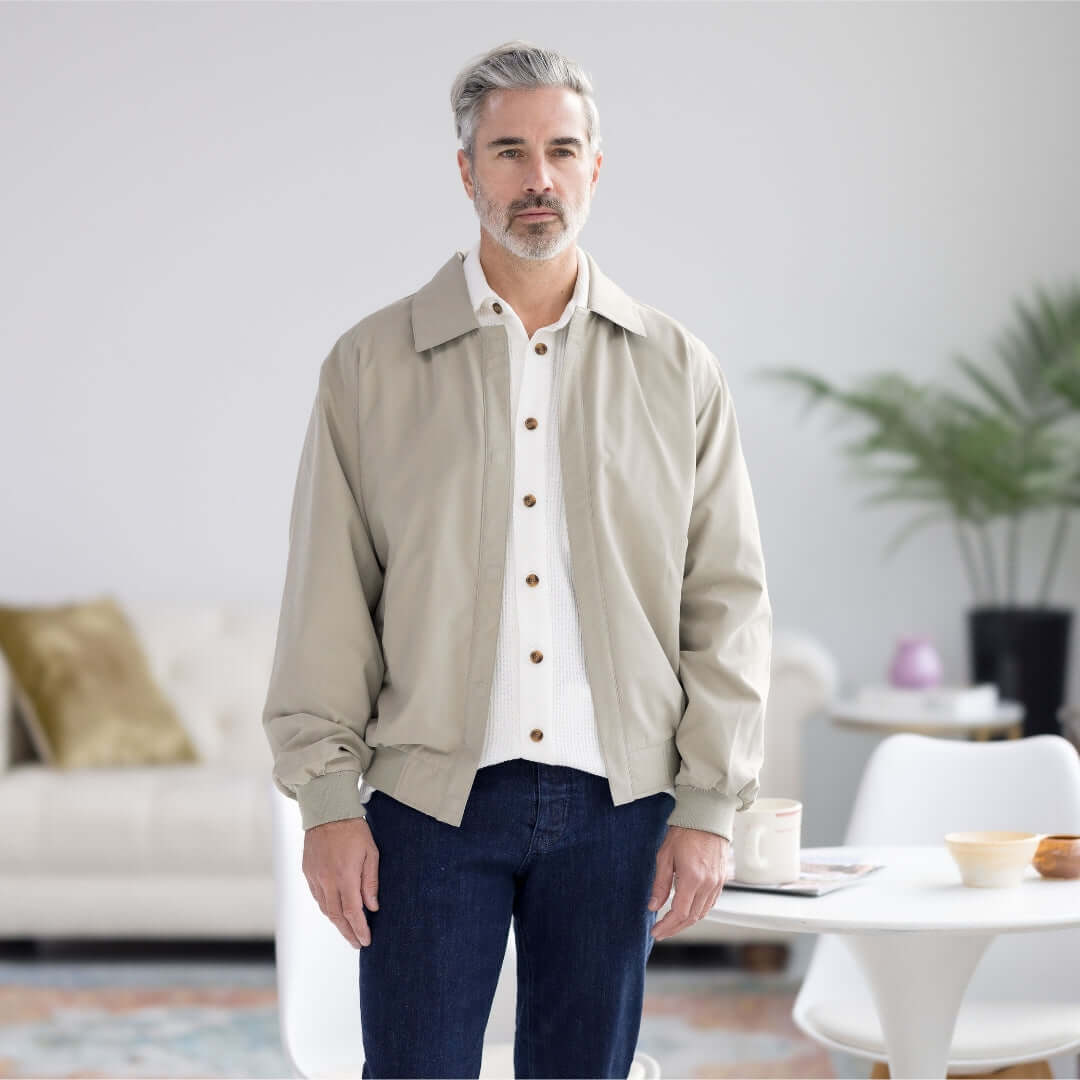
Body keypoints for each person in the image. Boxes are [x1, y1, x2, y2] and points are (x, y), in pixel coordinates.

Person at [262, 38, 773, 1080]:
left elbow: (725, 600)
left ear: (595, 167)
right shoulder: (371, 366)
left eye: (561, 150)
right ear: (466, 171)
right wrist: (325, 803)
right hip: (428, 811)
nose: (537, 178)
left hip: (617, 809)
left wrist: (712, 805)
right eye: (508, 151)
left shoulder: (678, 370)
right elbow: (327, 597)